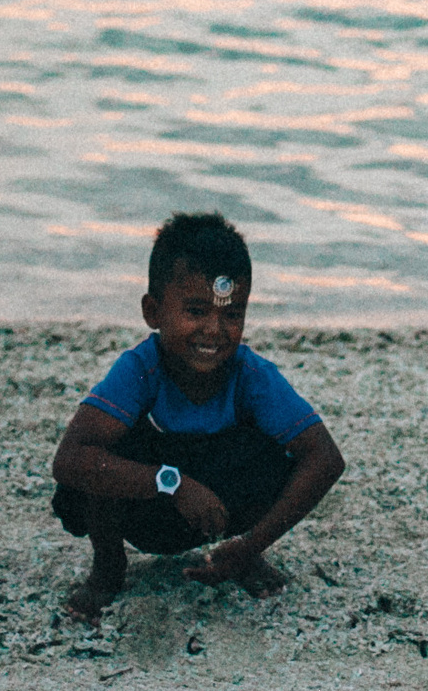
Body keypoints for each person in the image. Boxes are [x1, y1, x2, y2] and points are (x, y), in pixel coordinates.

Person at [49, 211, 345, 624]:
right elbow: (68, 459)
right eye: (195, 310)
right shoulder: (141, 368)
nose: (214, 329)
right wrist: (171, 482)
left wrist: (255, 542)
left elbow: (326, 458)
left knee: (280, 452)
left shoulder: (251, 374)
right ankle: (108, 568)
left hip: (223, 506)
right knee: (107, 448)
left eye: (231, 314)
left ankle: (242, 556)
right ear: (154, 312)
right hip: (148, 508)